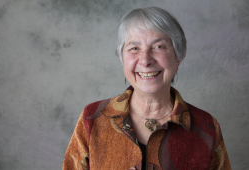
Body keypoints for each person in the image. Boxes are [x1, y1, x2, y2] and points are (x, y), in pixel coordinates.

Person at [62, 7, 231, 170]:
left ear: (178, 58)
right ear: (122, 59)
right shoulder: (93, 118)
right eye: (134, 48)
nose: (145, 60)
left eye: (159, 47)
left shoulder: (206, 127)